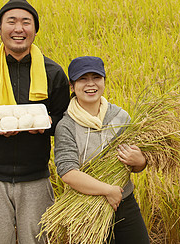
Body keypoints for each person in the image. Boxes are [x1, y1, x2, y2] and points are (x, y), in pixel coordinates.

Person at [0, 0, 70, 244]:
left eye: (26, 22)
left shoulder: (53, 73)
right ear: (0, 29)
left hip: (36, 179)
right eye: (11, 21)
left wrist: (46, 125)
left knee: (38, 241)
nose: (19, 28)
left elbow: (64, 120)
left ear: (34, 30)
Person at [54, 56, 150, 243]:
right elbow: (68, 172)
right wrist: (107, 190)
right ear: (72, 86)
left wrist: (140, 161)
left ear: (104, 81)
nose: (91, 84)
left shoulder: (120, 117)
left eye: (96, 77)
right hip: (86, 206)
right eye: (83, 79)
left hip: (125, 202)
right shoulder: (66, 126)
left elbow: (134, 164)